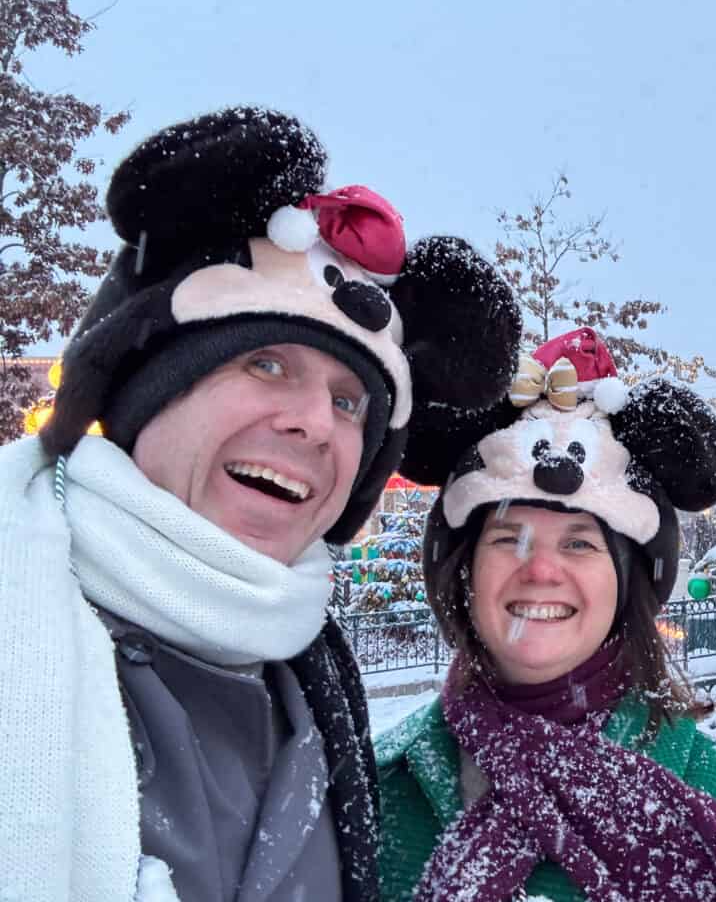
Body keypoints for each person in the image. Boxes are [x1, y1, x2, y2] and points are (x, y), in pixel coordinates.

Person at [0, 107, 521, 902]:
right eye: (266, 364)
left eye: (348, 402)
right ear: (146, 389)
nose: (314, 422)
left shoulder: (311, 678)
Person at [375, 328, 716, 901]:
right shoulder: (376, 789)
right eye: (507, 538)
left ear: (626, 584)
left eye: (579, 543)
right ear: (465, 572)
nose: (541, 570)